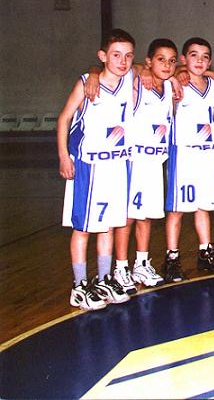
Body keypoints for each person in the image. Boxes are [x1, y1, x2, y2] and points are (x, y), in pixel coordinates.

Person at [58, 28, 134, 310]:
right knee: (84, 228)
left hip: (118, 164)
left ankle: (103, 279)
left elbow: (153, 68)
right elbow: (64, 119)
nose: (122, 61)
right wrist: (63, 156)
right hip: (89, 166)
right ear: (103, 56)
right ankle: (79, 286)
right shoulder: (86, 84)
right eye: (116, 55)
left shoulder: (130, 79)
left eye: (128, 56)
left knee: (109, 225)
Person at [111, 39, 177, 293]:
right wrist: (142, 69)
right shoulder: (137, 82)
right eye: (161, 59)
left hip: (155, 162)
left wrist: (174, 75)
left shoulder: (170, 86)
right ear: (149, 61)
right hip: (135, 161)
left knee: (146, 216)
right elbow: (116, 68)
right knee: (127, 217)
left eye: (172, 61)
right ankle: (120, 268)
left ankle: (141, 263)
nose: (167, 65)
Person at [163, 38, 214, 282]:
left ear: (210, 61)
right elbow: (147, 70)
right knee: (178, 209)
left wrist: (211, 73)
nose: (199, 61)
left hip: (208, 152)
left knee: (203, 206)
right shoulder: (176, 83)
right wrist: (177, 72)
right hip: (184, 152)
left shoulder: (212, 84)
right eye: (194, 55)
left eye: (205, 57)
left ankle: (205, 252)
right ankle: (171, 258)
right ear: (183, 59)